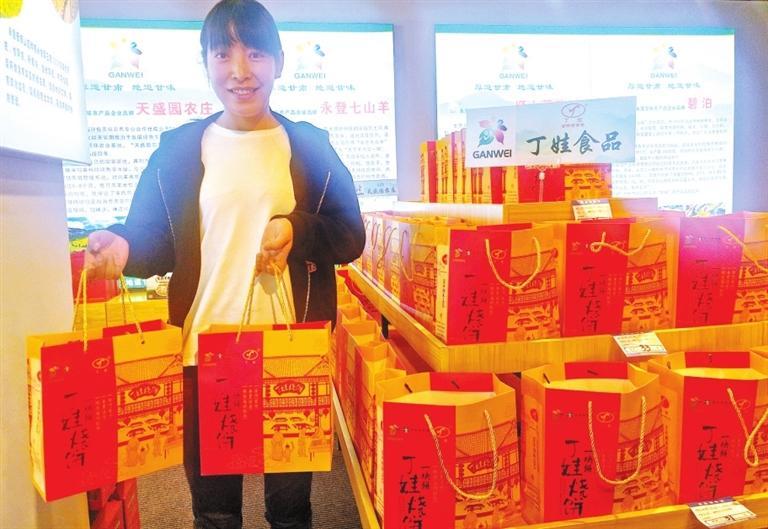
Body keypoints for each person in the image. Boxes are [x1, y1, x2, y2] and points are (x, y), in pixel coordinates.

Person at [84, 1, 366, 527]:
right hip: (204, 350)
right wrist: (122, 249)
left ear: (279, 62)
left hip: (289, 352)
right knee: (215, 512)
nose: (240, 70)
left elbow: (350, 235)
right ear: (206, 63)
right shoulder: (177, 151)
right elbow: (154, 238)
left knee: (291, 510)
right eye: (223, 54)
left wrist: (296, 228)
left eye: (255, 53)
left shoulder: (310, 146)